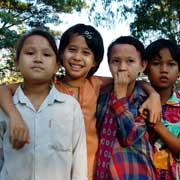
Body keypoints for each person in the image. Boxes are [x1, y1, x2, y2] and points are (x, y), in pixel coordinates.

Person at [0, 24, 161, 180]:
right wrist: (14, 116)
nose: (77, 57)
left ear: (95, 61)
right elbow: (4, 89)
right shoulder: (50, 87)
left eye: (86, 52)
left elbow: (129, 78)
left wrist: (153, 94)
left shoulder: (97, 85)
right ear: (60, 55)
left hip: (94, 171)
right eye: (71, 50)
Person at [0, 29, 87, 180]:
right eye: (30, 53)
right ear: (16, 63)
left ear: (57, 66)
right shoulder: (6, 107)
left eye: (46, 54)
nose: (38, 59)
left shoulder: (70, 107)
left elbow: (79, 159)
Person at [95, 36, 155, 179]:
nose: (122, 67)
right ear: (108, 64)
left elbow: (129, 138)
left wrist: (120, 97)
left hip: (136, 174)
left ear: (142, 65)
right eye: (116, 61)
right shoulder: (101, 94)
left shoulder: (145, 100)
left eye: (130, 61)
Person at [145, 39, 180, 179]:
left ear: (179, 71)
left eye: (171, 64)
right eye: (156, 63)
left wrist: (158, 126)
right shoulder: (137, 101)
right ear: (145, 67)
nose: (164, 69)